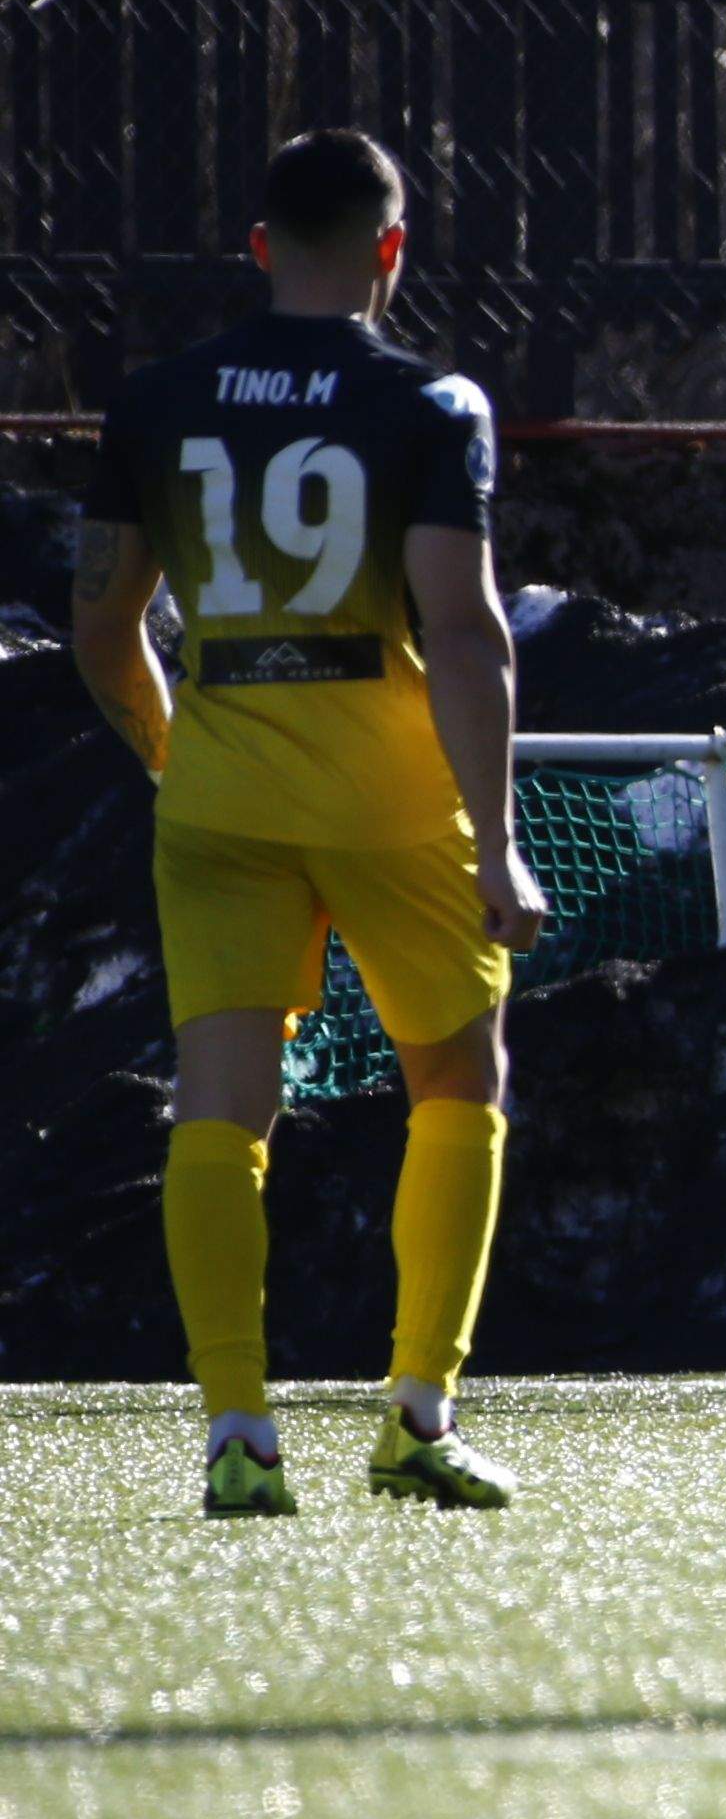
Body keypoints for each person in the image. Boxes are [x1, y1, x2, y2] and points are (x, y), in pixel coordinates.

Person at [69, 130, 543, 1517]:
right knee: (459, 1082)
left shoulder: (156, 402)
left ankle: (236, 1428)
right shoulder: (433, 404)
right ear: (393, 253)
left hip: (220, 800)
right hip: (391, 806)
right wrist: (498, 834)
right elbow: (466, 635)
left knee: (220, 1106)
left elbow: (101, 630)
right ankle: (415, 1416)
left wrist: (178, 756)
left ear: (260, 247)